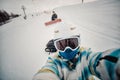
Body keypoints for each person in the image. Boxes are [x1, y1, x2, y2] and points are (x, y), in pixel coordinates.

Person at [33, 22, 120, 80]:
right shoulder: (55, 62)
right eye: (61, 45)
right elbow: (47, 71)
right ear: (56, 46)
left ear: (79, 42)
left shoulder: (86, 56)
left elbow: (98, 60)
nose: (67, 49)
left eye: (72, 43)